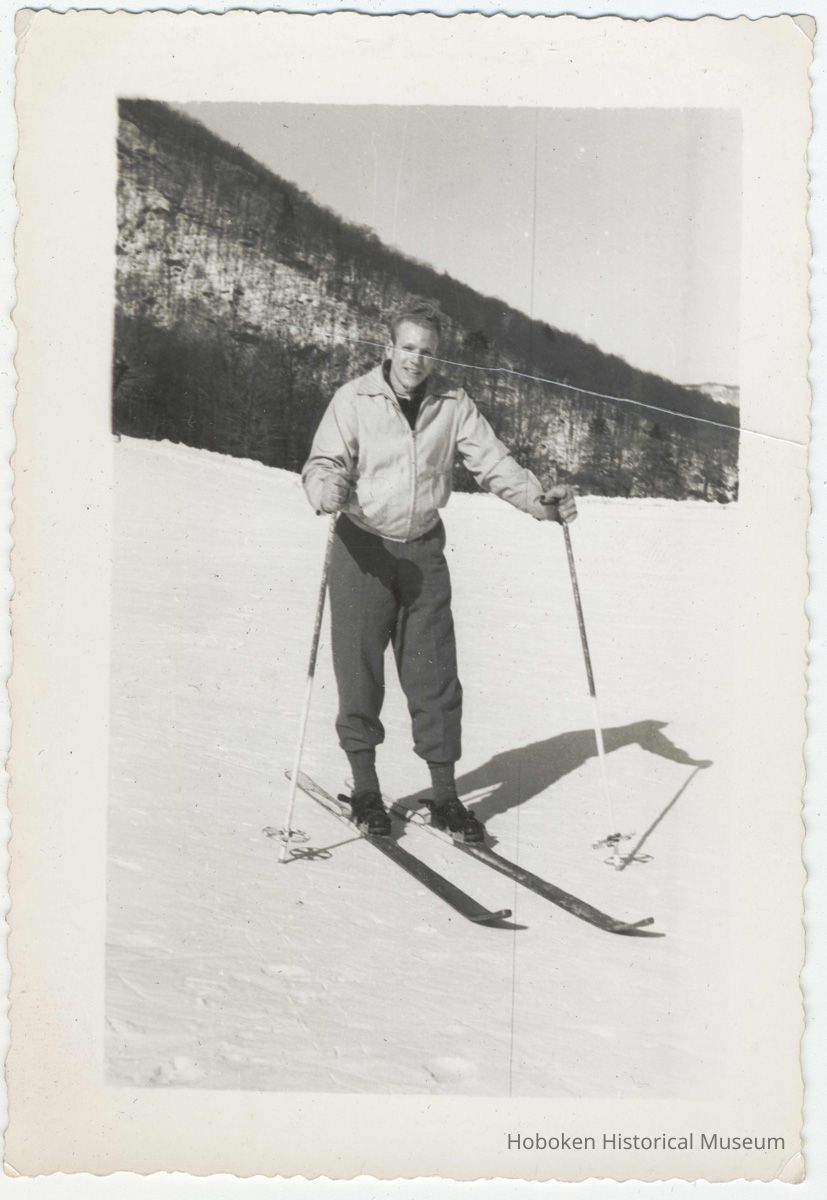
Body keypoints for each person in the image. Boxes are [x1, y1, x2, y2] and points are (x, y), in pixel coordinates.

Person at [302, 300, 577, 841]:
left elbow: (493, 463)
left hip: (423, 552)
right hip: (363, 550)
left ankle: (445, 796)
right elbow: (323, 463)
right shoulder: (354, 399)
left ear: (436, 357)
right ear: (389, 348)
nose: (416, 359)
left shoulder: (453, 403)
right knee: (359, 674)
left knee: (435, 678)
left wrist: (540, 503)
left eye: (426, 351)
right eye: (407, 347)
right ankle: (365, 789)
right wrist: (325, 488)